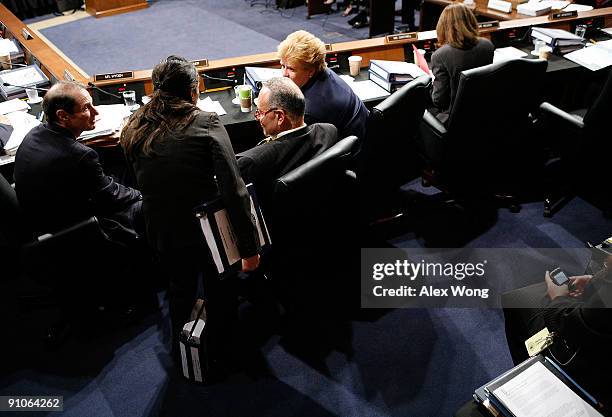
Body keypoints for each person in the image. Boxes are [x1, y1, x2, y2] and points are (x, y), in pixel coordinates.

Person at [120, 55, 260, 363]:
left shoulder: (132, 125)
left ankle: (186, 355)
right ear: (193, 91)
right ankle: (222, 355)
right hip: (206, 230)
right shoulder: (206, 122)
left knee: (180, 291)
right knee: (219, 290)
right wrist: (249, 247)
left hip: (161, 230)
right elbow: (233, 189)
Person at [14, 81, 142, 238]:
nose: (96, 112)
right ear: (63, 116)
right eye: (86, 108)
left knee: (119, 169)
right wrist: (140, 194)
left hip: (44, 214)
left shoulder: (35, 133)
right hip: (78, 227)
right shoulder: (80, 155)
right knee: (151, 205)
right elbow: (109, 196)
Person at [503, 257, 612, 405]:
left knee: (515, 299)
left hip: (596, 367)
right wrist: (594, 281)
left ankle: (529, 381)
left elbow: (572, 325)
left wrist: (557, 297)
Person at [237, 76, 338, 216]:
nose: (258, 118)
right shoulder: (328, 131)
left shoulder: (251, 162)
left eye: (260, 112)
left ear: (280, 117)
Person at [277, 30, 369, 141]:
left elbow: (300, 147)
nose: (284, 74)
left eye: (291, 69)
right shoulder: (324, 71)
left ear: (310, 71)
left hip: (353, 152)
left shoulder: (310, 110)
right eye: (282, 66)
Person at [429, 3, 494, 124]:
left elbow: (439, 100)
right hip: (483, 113)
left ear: (443, 26)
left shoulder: (439, 56)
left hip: (454, 120)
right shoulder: (487, 45)